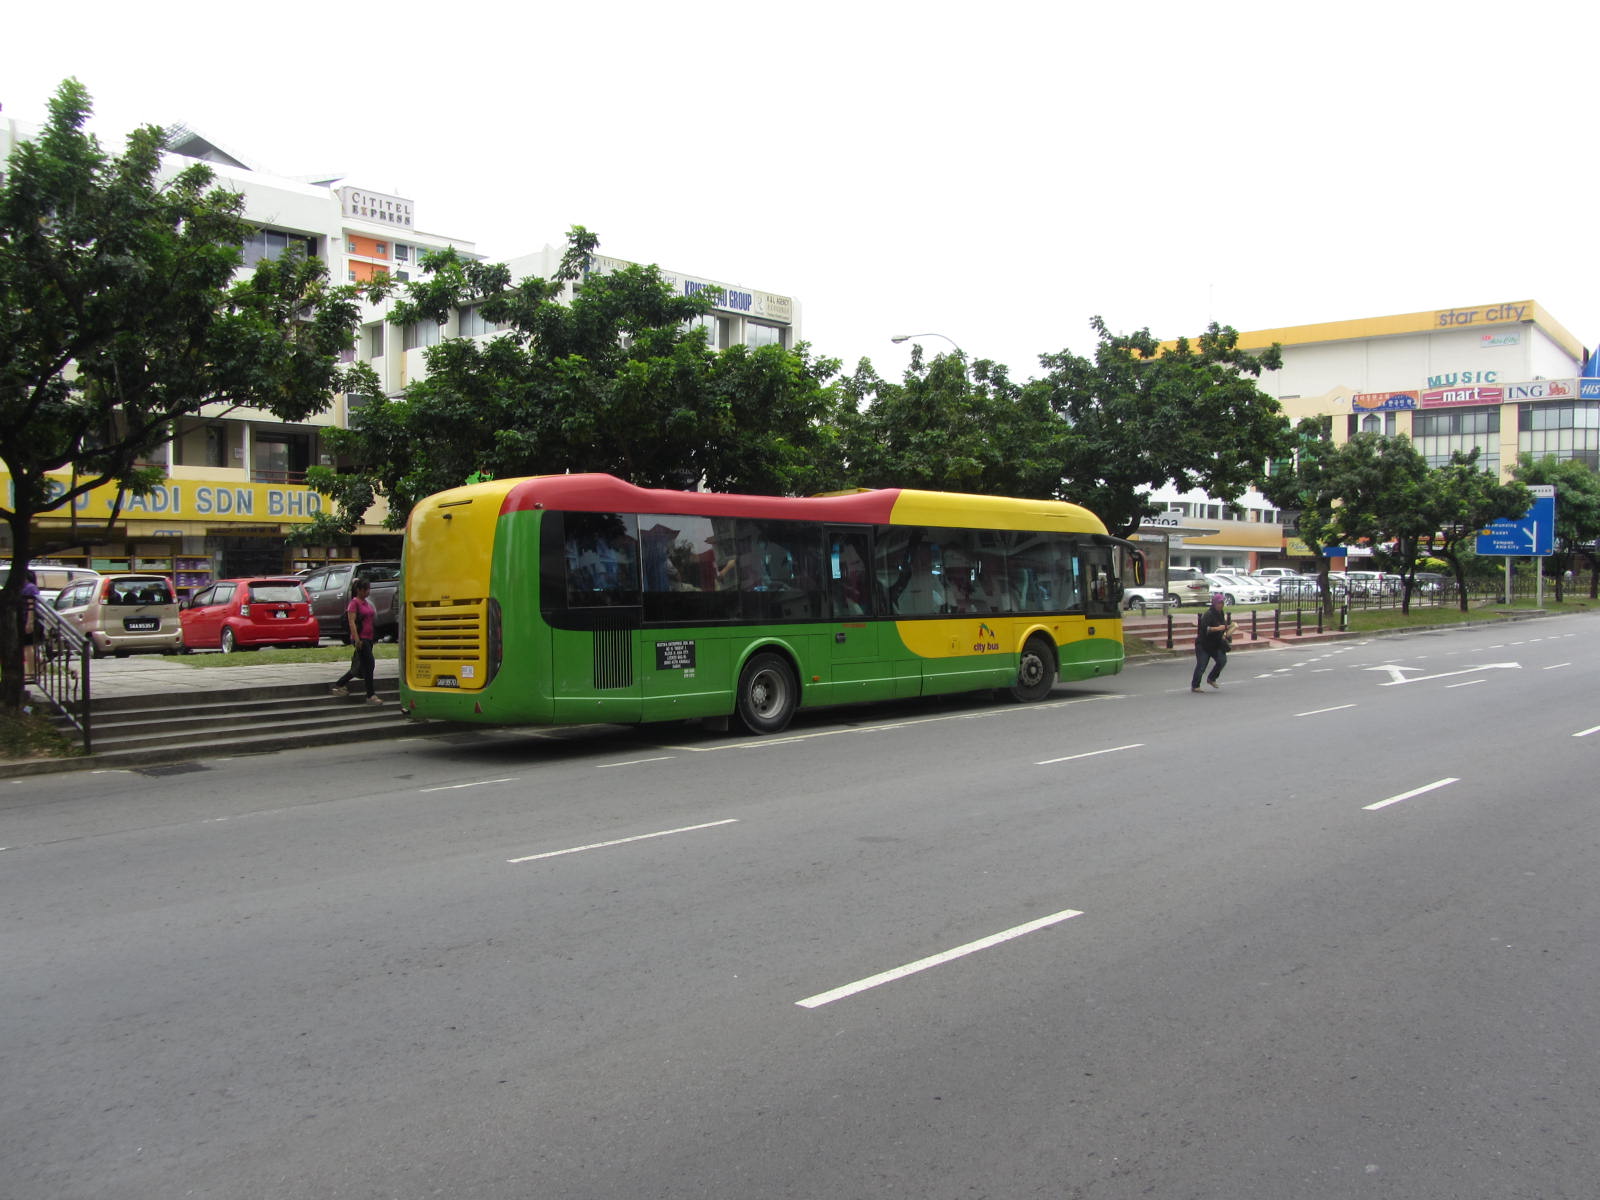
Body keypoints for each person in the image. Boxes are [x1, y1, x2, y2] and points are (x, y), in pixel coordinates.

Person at [330, 578, 381, 704]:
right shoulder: (354, 603)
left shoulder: (366, 603)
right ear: (359, 590)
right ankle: (370, 695)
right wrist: (357, 639)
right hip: (361, 639)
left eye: (368, 589)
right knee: (369, 665)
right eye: (365, 590)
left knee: (360, 666)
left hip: (369, 638)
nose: (367, 592)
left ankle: (339, 684)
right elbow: (351, 622)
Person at [1191, 591, 1235, 693]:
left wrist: (1228, 630)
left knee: (1222, 660)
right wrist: (1218, 628)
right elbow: (1206, 629)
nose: (1221, 605)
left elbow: (1223, 627)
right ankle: (1195, 685)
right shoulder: (1208, 614)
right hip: (1204, 644)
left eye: (1222, 603)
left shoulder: (1220, 613)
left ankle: (1211, 678)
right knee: (1202, 665)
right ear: (1214, 603)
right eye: (1219, 603)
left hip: (1216, 643)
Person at [20, 569, 41, 683]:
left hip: (27, 620)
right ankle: (38, 665)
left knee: (28, 646)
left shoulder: (30, 588)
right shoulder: (26, 587)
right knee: (26, 647)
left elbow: (31, 607)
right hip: (22, 619)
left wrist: (30, 622)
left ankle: (31, 672)